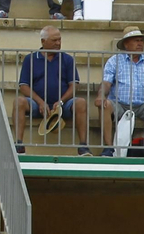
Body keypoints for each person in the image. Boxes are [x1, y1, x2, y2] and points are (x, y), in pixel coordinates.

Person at [13, 26, 90, 155]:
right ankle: (19, 144)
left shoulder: (67, 59)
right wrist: (40, 102)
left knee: (81, 102)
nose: (58, 43)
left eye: (59, 40)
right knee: (19, 102)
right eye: (54, 40)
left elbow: (74, 85)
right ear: (43, 42)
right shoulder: (30, 59)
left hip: (63, 105)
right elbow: (24, 86)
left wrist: (61, 101)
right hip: (37, 105)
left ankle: (83, 146)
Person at [100, 26, 144, 157]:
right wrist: (101, 95)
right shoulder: (114, 61)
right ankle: (108, 148)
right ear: (126, 44)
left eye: (141, 40)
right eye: (136, 40)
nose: (140, 43)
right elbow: (106, 83)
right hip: (119, 103)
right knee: (105, 105)